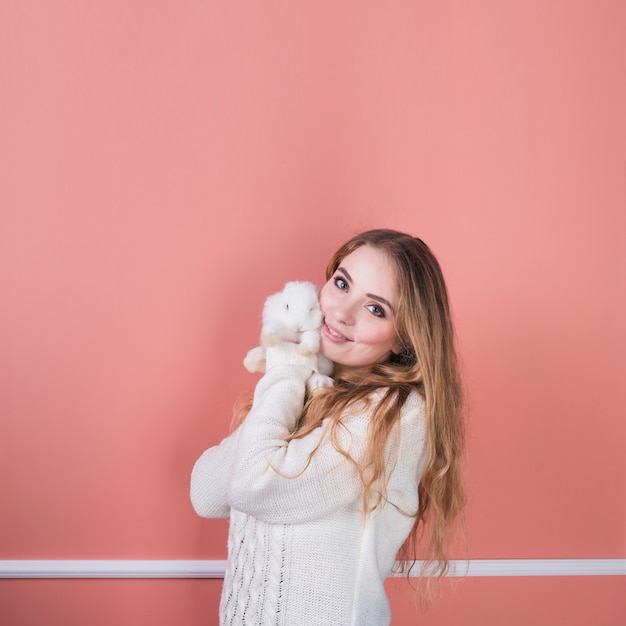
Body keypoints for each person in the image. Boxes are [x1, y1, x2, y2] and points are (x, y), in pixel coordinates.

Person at [190, 229, 465, 626]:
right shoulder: (313, 387)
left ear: (404, 339)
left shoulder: (397, 412)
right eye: (341, 283)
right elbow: (206, 493)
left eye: (376, 309)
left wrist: (284, 367)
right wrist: (299, 374)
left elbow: (250, 484)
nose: (341, 312)